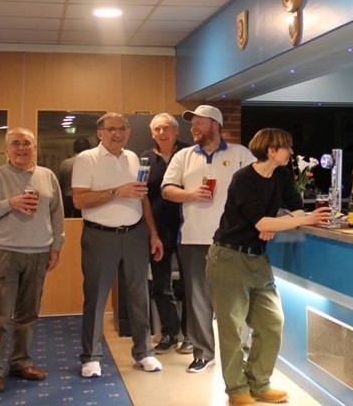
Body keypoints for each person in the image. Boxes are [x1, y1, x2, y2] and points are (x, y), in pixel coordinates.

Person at [207, 128, 329, 406]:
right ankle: (237, 390)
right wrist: (278, 223)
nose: (291, 152)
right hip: (228, 257)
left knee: (272, 322)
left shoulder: (282, 175)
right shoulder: (243, 179)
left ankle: (259, 383)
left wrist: (278, 223)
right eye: (286, 147)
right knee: (232, 328)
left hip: (258, 259)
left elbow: (295, 209)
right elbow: (262, 222)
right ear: (271, 151)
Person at [161, 105, 256, 373]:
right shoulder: (183, 156)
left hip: (232, 240)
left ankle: (238, 352)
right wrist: (191, 195)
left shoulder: (241, 154)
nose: (194, 128)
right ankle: (203, 352)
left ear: (215, 124)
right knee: (197, 299)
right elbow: (167, 190)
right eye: (193, 124)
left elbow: (258, 189)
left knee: (235, 299)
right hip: (192, 238)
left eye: (200, 123)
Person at [0, 127, 64, 393]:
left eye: (27, 143)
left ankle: (21, 361)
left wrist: (56, 247)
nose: (22, 148)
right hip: (3, 255)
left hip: (38, 255)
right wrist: (9, 203)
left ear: (35, 147)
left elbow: (57, 215)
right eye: (15, 143)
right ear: (7, 149)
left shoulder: (47, 176)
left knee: (28, 315)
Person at [72, 112, 164, 378]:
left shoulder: (134, 158)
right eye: (111, 129)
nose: (118, 133)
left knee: (139, 296)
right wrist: (115, 192)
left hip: (134, 234)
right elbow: (78, 200)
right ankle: (91, 357)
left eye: (122, 128)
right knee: (96, 299)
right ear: (100, 133)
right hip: (99, 236)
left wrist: (153, 234)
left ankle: (144, 352)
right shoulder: (86, 159)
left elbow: (142, 198)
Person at [140, 113, 191, 354]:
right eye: (158, 129)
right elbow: (144, 199)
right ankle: (170, 333)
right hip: (158, 232)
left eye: (167, 128)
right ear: (152, 133)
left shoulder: (192, 155)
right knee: (161, 285)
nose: (162, 132)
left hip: (189, 230)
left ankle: (191, 335)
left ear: (176, 131)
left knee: (192, 286)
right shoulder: (145, 160)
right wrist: (152, 233)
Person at [58, 136, 91, 217]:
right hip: (85, 199)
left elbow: (61, 183)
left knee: (68, 224)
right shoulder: (91, 164)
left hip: (68, 199)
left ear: (74, 148)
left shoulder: (66, 163)